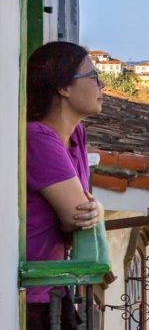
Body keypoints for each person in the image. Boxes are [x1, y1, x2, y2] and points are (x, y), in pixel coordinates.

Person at [25, 42, 106, 329]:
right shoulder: (37, 137)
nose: (102, 85)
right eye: (93, 77)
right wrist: (95, 211)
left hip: (55, 291)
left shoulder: (77, 136)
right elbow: (77, 216)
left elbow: (85, 210)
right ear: (63, 87)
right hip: (34, 296)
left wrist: (95, 210)